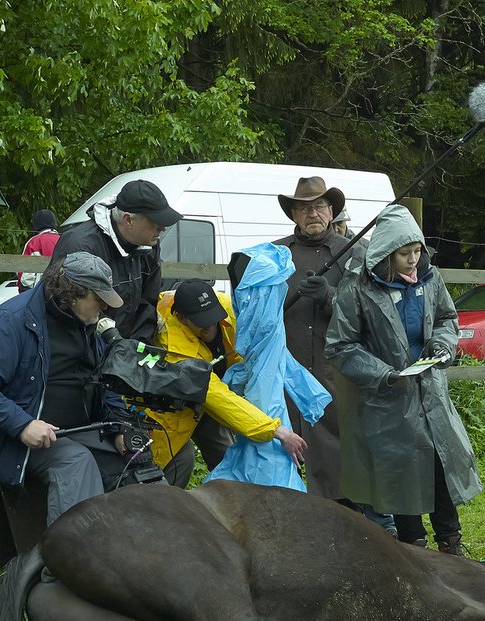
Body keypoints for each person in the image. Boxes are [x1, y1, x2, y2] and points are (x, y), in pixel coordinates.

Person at [325, 204, 481, 554]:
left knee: (440, 464)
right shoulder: (358, 288)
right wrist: (383, 374)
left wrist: (441, 346)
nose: (413, 260)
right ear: (386, 254)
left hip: (430, 391)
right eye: (405, 253)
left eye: (417, 252)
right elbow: (340, 345)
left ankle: (451, 544)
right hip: (387, 397)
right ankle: (414, 548)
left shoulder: (431, 278)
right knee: (400, 470)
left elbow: (446, 318)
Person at [0, 253, 131, 526]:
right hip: (10, 436)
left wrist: (120, 426)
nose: (104, 309)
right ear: (73, 294)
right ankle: (65, 564)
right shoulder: (12, 320)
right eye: (98, 300)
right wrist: (22, 425)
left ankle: (128, 558)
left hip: (76, 430)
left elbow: (105, 380)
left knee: (137, 456)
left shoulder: (87, 324)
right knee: (75, 463)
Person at [145, 279, 307, 488]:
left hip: (212, 407)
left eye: (214, 318)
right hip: (178, 411)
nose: (210, 327)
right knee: (174, 464)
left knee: (229, 458)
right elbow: (216, 397)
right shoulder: (176, 349)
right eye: (202, 322)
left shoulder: (228, 310)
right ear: (182, 318)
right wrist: (277, 432)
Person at [273, 177, 368, 501]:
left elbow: (368, 311)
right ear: (295, 214)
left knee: (335, 454)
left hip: (334, 372)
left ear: (331, 211)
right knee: (281, 453)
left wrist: (330, 296)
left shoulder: (355, 254)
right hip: (285, 370)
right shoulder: (276, 254)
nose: (312, 213)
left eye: (319, 206)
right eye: (304, 208)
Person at [49, 180, 181, 343]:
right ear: (128, 220)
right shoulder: (80, 245)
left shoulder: (149, 246)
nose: (163, 228)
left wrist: (137, 348)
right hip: (81, 350)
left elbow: (148, 301)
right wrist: (112, 346)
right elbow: (64, 306)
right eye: (156, 223)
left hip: (123, 350)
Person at [18, 208, 60, 292]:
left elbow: (25, 276)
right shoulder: (63, 240)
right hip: (61, 293)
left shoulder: (34, 242)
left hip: (40, 293)